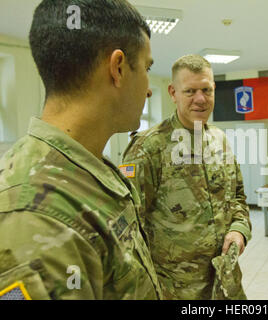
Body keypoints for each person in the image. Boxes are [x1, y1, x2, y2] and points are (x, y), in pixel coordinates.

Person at [0, 0, 162, 299]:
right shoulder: (36, 216)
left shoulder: (88, 169)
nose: (149, 87)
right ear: (118, 68)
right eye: (147, 67)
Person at [121, 54, 252, 300]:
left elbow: (238, 198)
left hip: (224, 284)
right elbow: (127, 229)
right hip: (173, 290)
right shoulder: (148, 148)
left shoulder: (219, 141)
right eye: (190, 91)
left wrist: (239, 230)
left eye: (206, 90)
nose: (200, 99)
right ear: (173, 93)